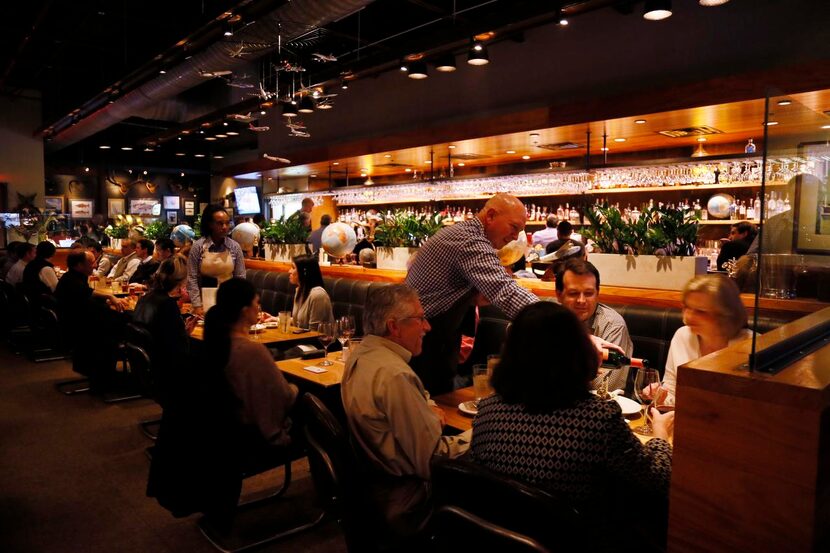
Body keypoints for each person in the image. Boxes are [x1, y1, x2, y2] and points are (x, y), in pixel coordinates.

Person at [470, 302, 673, 548]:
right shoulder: (597, 418)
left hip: (500, 537)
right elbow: (658, 479)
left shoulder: (487, 408)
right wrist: (660, 435)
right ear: (576, 351)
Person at [341, 284, 471, 538]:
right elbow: (430, 460)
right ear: (394, 326)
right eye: (420, 319)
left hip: (373, 484)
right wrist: (482, 432)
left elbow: (421, 397)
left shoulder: (364, 354)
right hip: (407, 499)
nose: (427, 327)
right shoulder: (395, 375)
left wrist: (427, 408)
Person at [406, 193, 539, 394]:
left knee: (437, 400)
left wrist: (472, 294)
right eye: (513, 228)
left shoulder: (464, 234)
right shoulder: (470, 241)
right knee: (429, 406)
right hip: (422, 338)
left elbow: (471, 292)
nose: (514, 237)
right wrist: (558, 322)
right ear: (491, 216)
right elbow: (505, 291)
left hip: (433, 336)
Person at [205, 277, 298, 447]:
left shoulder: (214, 342)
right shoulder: (251, 351)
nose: (259, 308)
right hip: (252, 437)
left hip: (222, 433)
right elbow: (284, 397)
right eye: (257, 302)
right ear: (245, 310)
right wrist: (296, 388)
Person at [658, 275, 754, 405]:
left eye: (700, 311)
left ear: (725, 315)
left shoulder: (751, 345)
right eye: (686, 307)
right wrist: (659, 395)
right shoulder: (682, 336)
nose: (689, 316)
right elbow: (672, 390)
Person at [556, 258, 633, 392]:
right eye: (573, 293)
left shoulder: (613, 325)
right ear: (559, 295)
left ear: (597, 293)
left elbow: (602, 387)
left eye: (588, 293)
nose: (581, 300)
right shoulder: (546, 319)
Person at [55, 250, 129, 390]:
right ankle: (107, 379)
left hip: (74, 325)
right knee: (126, 327)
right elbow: (88, 306)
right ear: (79, 265)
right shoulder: (73, 282)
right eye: (91, 263)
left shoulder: (71, 278)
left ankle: (104, 374)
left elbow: (87, 296)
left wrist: (109, 300)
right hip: (81, 330)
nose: (94, 266)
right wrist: (111, 303)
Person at [132, 255, 198, 406]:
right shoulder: (168, 305)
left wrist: (182, 331)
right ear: (182, 280)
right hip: (166, 369)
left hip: (147, 365)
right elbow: (177, 349)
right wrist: (185, 334)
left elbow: (162, 335)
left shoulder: (146, 298)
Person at [186, 204, 246, 317]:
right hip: (204, 301)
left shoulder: (234, 247)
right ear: (210, 225)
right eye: (220, 223)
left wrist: (239, 303)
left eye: (227, 223)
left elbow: (240, 278)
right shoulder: (198, 247)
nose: (224, 227)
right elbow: (192, 278)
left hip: (229, 301)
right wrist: (197, 305)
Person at [289, 254, 334, 329]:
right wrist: (275, 319)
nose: (289, 271)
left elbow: (314, 333)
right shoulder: (299, 291)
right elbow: (297, 322)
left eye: (293, 268)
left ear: (304, 272)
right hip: (301, 339)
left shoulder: (318, 295)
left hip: (319, 340)